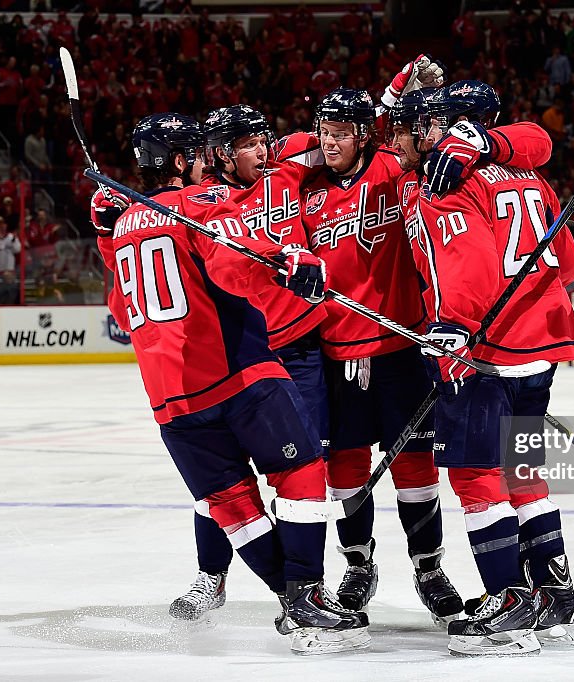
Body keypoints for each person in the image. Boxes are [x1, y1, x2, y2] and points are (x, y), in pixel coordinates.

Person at [90, 112, 368, 654]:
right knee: (303, 465)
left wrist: (105, 236)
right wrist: (287, 256)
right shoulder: (199, 204)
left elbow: (124, 315)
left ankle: (291, 604)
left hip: (170, 399)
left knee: (233, 505)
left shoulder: (123, 229)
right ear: (178, 162)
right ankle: (306, 590)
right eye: (198, 154)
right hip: (237, 374)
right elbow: (233, 267)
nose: (207, 161)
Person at [410, 80, 574, 656]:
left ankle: (508, 599)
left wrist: (455, 330)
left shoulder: (450, 180)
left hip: (488, 347)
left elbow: (470, 266)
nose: (425, 130)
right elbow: (571, 261)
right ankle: (555, 597)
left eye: (434, 120)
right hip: (544, 340)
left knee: (474, 471)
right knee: (524, 471)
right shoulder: (529, 176)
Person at [163, 104, 331, 623]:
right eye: (249, 143)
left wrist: (396, 96)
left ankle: (311, 584)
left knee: (304, 469)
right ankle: (211, 575)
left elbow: (346, 136)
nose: (262, 150)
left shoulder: (287, 169)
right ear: (217, 152)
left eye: (264, 139)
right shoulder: (198, 204)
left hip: (296, 348)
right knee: (221, 480)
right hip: (235, 354)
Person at [300, 87, 462, 624]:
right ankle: (357, 564)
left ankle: (430, 568)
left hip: (401, 346)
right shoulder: (306, 183)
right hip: (336, 351)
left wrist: (396, 97)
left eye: (342, 133)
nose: (330, 143)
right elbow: (277, 152)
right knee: (344, 471)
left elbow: (426, 142)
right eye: (324, 133)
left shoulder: (394, 168)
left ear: (367, 132)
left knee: (415, 467)